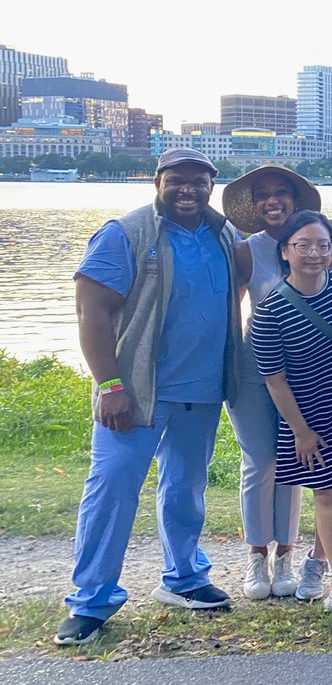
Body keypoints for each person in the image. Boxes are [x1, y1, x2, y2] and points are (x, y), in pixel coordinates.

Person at [56, 148, 242, 646]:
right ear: (157, 182)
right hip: (136, 391)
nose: (188, 190)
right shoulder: (126, 233)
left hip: (201, 390)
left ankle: (184, 579)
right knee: (112, 489)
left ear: (212, 185)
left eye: (198, 182)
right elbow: (91, 310)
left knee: (185, 489)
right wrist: (110, 384)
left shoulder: (225, 235)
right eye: (176, 181)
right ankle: (91, 600)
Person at [251, 211, 332, 612]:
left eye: (322, 246)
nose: (313, 253)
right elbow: (275, 379)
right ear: (286, 251)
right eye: (303, 245)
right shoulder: (270, 311)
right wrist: (300, 431)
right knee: (327, 494)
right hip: (312, 416)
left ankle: (318, 561)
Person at [222, 165, 320, 600]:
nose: (272, 201)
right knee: (260, 461)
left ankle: (286, 556)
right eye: (264, 195)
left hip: (301, 370)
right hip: (252, 368)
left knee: (293, 463)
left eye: (281, 193)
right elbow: (230, 311)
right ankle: (256, 555)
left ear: (295, 201)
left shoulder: (313, 245)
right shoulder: (247, 251)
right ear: (255, 204)